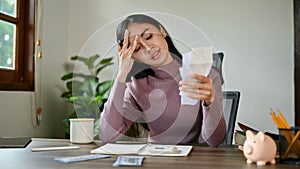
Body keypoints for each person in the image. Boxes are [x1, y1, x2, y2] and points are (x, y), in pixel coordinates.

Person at [99, 14, 226, 146]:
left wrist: (210, 101)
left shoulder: (203, 74)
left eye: (149, 37)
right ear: (133, 57)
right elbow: (108, 136)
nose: (148, 48)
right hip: (157, 158)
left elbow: (214, 141)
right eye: (136, 48)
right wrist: (121, 74)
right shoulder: (137, 87)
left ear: (162, 31)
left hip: (196, 159)